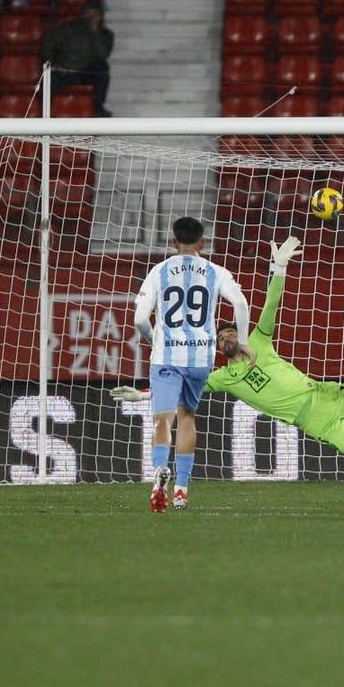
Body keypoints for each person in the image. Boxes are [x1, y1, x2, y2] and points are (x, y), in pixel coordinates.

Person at [112, 237, 344, 508]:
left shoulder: (258, 342)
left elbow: (271, 303)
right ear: (216, 347)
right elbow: (180, 390)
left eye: (230, 332)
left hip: (323, 393)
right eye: (221, 338)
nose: (228, 338)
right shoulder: (219, 377)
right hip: (312, 422)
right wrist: (144, 394)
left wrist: (278, 268)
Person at [131, 217, 253, 513]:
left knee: (163, 419)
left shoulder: (158, 271)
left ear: (173, 242)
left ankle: (160, 470)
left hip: (166, 355)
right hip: (200, 357)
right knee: (187, 418)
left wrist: (153, 338)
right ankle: (182, 490)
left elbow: (138, 320)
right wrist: (244, 341)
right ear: (203, 243)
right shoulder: (216, 271)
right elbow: (240, 304)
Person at [43, 0, 114, 116]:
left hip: (84, 73)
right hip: (63, 70)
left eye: (95, 13)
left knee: (102, 68)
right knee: (48, 78)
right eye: (89, 12)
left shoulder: (106, 35)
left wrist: (95, 31)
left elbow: (102, 54)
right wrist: (52, 62)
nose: (91, 16)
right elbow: (49, 43)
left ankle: (97, 107)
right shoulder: (68, 28)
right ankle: (45, 112)